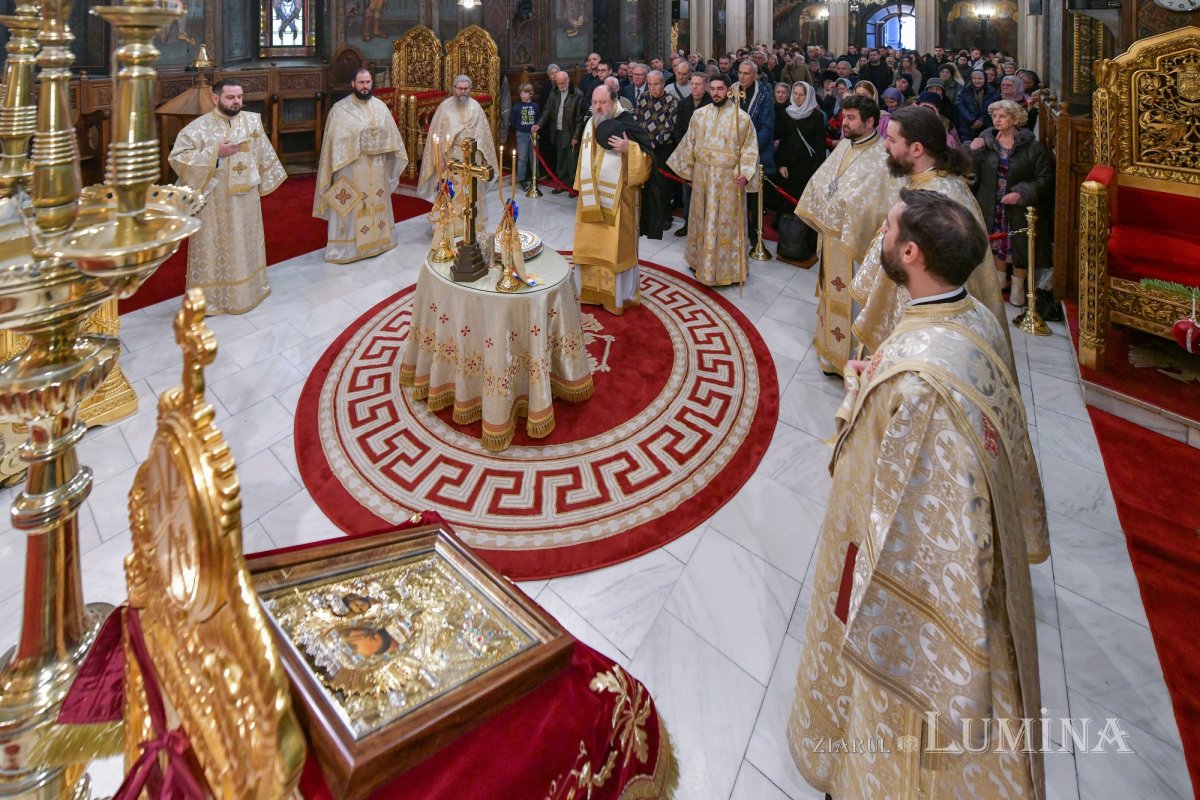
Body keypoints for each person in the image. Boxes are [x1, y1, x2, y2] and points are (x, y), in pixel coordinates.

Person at [787, 187, 1049, 800]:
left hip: (906, 592)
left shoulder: (927, 387)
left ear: (910, 253)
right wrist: (865, 383)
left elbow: (927, 523)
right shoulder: (968, 317)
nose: (878, 232)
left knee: (893, 716)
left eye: (887, 228)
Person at [852, 105, 1011, 368]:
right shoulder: (928, 180)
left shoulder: (941, 200)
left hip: (925, 345)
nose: (885, 145)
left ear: (916, 149)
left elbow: (926, 281)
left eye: (892, 140)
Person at [794, 94, 905, 375]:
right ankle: (829, 351)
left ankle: (850, 358)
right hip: (832, 238)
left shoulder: (882, 158)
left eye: (852, 118)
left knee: (853, 300)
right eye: (844, 116)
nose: (845, 122)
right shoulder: (845, 144)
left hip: (855, 244)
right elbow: (823, 182)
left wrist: (848, 215)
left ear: (870, 122)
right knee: (831, 295)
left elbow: (882, 204)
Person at [169, 78, 285, 314]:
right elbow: (178, 158)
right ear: (215, 98)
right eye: (230, 97)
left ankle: (251, 290)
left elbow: (264, 154)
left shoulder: (252, 121)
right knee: (217, 248)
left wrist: (263, 180)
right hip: (215, 204)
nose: (236, 102)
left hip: (246, 200)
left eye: (240, 97)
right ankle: (214, 299)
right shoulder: (197, 128)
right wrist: (215, 153)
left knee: (246, 242)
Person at [666, 75, 760, 286]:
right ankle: (699, 261)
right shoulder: (699, 115)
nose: (716, 92)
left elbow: (750, 149)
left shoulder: (741, 118)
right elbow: (689, 143)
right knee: (702, 219)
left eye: (721, 88)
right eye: (714, 88)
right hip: (702, 177)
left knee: (724, 224)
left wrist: (743, 173)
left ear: (728, 90)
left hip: (728, 181)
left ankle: (729, 269)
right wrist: (687, 173)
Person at [572, 85, 654, 314]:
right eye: (595, 102)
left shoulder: (627, 122)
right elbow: (583, 159)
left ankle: (617, 297)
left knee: (614, 247)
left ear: (614, 100)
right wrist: (581, 186)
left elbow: (648, 158)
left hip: (618, 201)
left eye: (603, 102)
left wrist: (629, 148)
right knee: (589, 242)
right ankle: (588, 291)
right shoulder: (590, 123)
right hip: (590, 199)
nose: (598, 107)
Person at [313, 69, 407, 265]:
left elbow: (392, 137)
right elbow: (335, 143)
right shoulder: (340, 109)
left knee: (377, 202)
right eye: (361, 82)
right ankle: (346, 249)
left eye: (368, 82)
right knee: (351, 206)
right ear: (353, 84)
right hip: (350, 167)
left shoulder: (380, 107)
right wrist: (360, 142)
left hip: (376, 167)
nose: (365, 86)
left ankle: (380, 242)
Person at [967, 99, 1053, 308]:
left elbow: (1044, 178)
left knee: (1019, 246)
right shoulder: (985, 143)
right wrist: (972, 151)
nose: (997, 120)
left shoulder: (1031, 147)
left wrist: (1021, 193)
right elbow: (970, 173)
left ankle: (1017, 286)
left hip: (1018, 206)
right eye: (994, 116)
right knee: (996, 243)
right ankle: (999, 279)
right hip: (991, 202)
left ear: (1015, 119)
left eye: (1002, 116)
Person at [417, 74, 499, 227]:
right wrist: (439, 158)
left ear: (470, 89)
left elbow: (484, 134)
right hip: (453, 157)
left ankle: (474, 224)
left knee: (474, 191)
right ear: (453, 89)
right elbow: (438, 135)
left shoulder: (476, 107)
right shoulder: (444, 107)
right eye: (459, 88)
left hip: (474, 156)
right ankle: (451, 225)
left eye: (466, 89)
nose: (463, 92)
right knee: (454, 192)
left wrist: (486, 155)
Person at [774, 80, 826, 265]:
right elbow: (783, 142)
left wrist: (817, 171)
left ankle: (806, 247)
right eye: (794, 93)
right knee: (789, 207)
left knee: (806, 209)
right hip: (790, 168)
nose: (797, 97)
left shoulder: (817, 116)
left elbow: (820, 145)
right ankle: (788, 245)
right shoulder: (786, 114)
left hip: (809, 168)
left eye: (801, 94)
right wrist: (782, 164)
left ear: (808, 96)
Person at [635, 69, 678, 238]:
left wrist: (654, 143)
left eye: (656, 84)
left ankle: (665, 217)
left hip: (662, 148)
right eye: (650, 84)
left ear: (663, 83)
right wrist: (641, 141)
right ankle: (646, 216)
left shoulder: (671, 100)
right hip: (645, 146)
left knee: (662, 184)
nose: (653, 88)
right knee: (645, 181)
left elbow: (670, 126)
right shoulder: (643, 98)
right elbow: (638, 120)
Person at [532, 70, 585, 195]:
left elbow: (579, 119)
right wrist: (538, 124)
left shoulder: (577, 94)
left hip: (571, 132)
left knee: (572, 160)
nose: (561, 86)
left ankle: (573, 187)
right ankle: (562, 183)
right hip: (558, 131)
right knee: (560, 159)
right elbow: (547, 111)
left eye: (563, 83)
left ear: (568, 80)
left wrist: (576, 136)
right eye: (558, 83)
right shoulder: (554, 92)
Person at [672, 72, 712, 238]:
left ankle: (705, 226)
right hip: (688, 153)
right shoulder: (683, 103)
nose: (694, 87)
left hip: (706, 155)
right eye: (693, 84)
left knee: (706, 193)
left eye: (698, 84)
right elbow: (679, 128)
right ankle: (688, 223)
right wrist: (688, 146)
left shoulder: (711, 104)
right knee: (687, 192)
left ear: (706, 86)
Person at [510, 81, 540, 189]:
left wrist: (536, 127)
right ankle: (522, 179)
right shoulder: (517, 107)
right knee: (522, 157)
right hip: (521, 134)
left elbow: (538, 119)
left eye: (525, 93)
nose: (522, 95)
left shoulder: (535, 106)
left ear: (530, 94)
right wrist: (519, 128)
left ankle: (535, 177)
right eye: (521, 93)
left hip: (533, 135)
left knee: (534, 157)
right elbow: (512, 121)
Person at [956, 69, 999, 143]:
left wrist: (981, 120)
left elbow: (992, 107)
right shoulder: (964, 91)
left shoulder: (991, 91)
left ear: (985, 79)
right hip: (967, 125)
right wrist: (972, 120)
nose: (977, 81)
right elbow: (960, 106)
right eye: (974, 78)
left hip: (985, 124)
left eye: (980, 78)